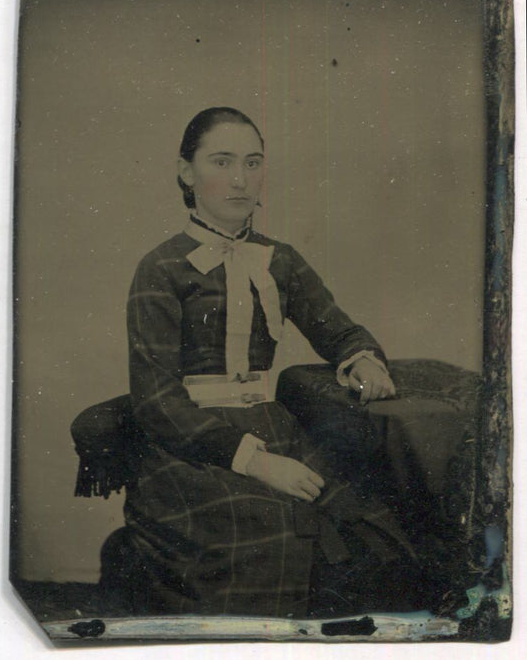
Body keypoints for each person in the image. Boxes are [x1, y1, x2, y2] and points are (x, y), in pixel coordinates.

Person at [122, 107, 443, 618]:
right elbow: (157, 400)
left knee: (374, 532)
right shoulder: (160, 268)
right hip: (194, 448)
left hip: (277, 426)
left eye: (252, 164)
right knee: (270, 536)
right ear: (186, 172)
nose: (239, 180)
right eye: (221, 162)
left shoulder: (281, 259)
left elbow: (339, 329)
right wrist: (256, 462)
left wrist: (363, 361)